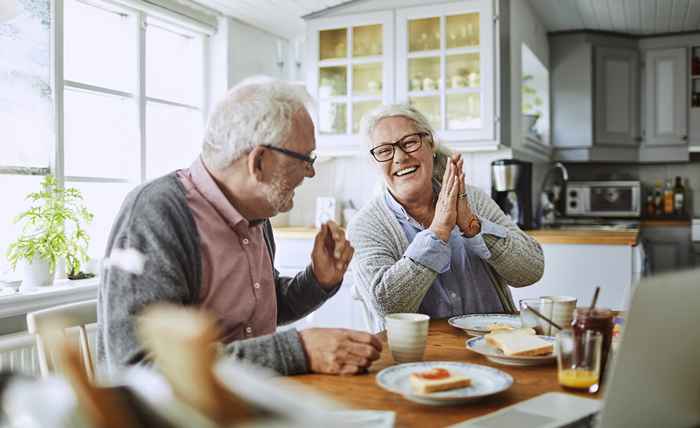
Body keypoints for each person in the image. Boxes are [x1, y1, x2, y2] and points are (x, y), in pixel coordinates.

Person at [96, 76, 382, 377]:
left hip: (254, 404)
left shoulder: (255, 213)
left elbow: (260, 311)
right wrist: (298, 351)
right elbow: (138, 368)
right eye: (305, 159)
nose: (310, 172)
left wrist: (317, 281)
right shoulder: (156, 213)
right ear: (258, 162)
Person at [348, 104, 544, 332]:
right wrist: (437, 232)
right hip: (419, 361)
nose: (400, 157)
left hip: (496, 345)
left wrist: (473, 227)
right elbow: (388, 305)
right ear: (375, 162)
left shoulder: (472, 199)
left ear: (431, 144)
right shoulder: (366, 225)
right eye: (384, 151)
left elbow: (531, 270)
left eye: (410, 142)